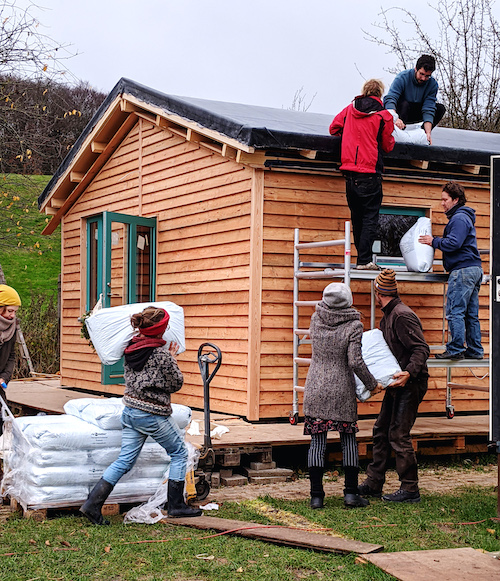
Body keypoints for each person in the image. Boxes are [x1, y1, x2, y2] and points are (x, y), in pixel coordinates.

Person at [80, 306, 202, 524]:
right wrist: (172, 359)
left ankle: (92, 504)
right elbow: (176, 383)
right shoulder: (161, 354)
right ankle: (176, 505)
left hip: (130, 412)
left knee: (124, 461)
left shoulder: (130, 347)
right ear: (162, 329)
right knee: (179, 453)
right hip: (152, 414)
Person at [303, 282, 383, 509]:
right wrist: (372, 384)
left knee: (317, 441)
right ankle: (350, 494)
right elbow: (355, 361)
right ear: (348, 301)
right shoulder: (354, 325)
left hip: (316, 384)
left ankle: (316, 497)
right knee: (348, 440)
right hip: (341, 388)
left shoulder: (315, 319)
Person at [358, 269, 429, 503]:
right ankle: (374, 483)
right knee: (381, 430)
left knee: (398, 434)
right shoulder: (387, 316)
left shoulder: (401, 315)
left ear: (378, 292)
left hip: (411, 382)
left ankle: (410, 489)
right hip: (396, 382)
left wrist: (409, 373)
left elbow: (421, 349)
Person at [329, 79, 395, 271]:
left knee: (357, 217)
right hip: (369, 173)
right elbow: (387, 145)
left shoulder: (349, 110)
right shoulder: (384, 116)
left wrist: (348, 136)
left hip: (349, 173)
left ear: (364, 91)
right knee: (370, 218)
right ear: (380, 94)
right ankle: (364, 261)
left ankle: (362, 259)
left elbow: (333, 128)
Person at [419, 181, 483, 360]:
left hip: (462, 270)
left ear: (455, 200)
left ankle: (455, 349)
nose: (442, 203)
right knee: (471, 314)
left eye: (445, 199)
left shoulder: (459, 219)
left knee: (455, 310)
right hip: (473, 269)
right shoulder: (463, 217)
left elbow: (454, 243)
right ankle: (475, 350)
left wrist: (434, 241)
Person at [384, 54, 446, 145]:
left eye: (427, 76)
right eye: (421, 74)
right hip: (400, 111)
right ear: (416, 69)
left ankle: (423, 135)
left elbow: (429, 108)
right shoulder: (402, 77)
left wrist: (428, 133)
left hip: (416, 111)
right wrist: (395, 118)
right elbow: (390, 98)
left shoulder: (432, 84)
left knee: (440, 108)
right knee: (405, 104)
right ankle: (398, 133)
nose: (423, 78)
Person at [0, 284, 21, 485]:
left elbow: (12, 356)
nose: (13, 315)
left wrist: (4, 378)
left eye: (15, 311)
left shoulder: (12, 328)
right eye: (10, 311)